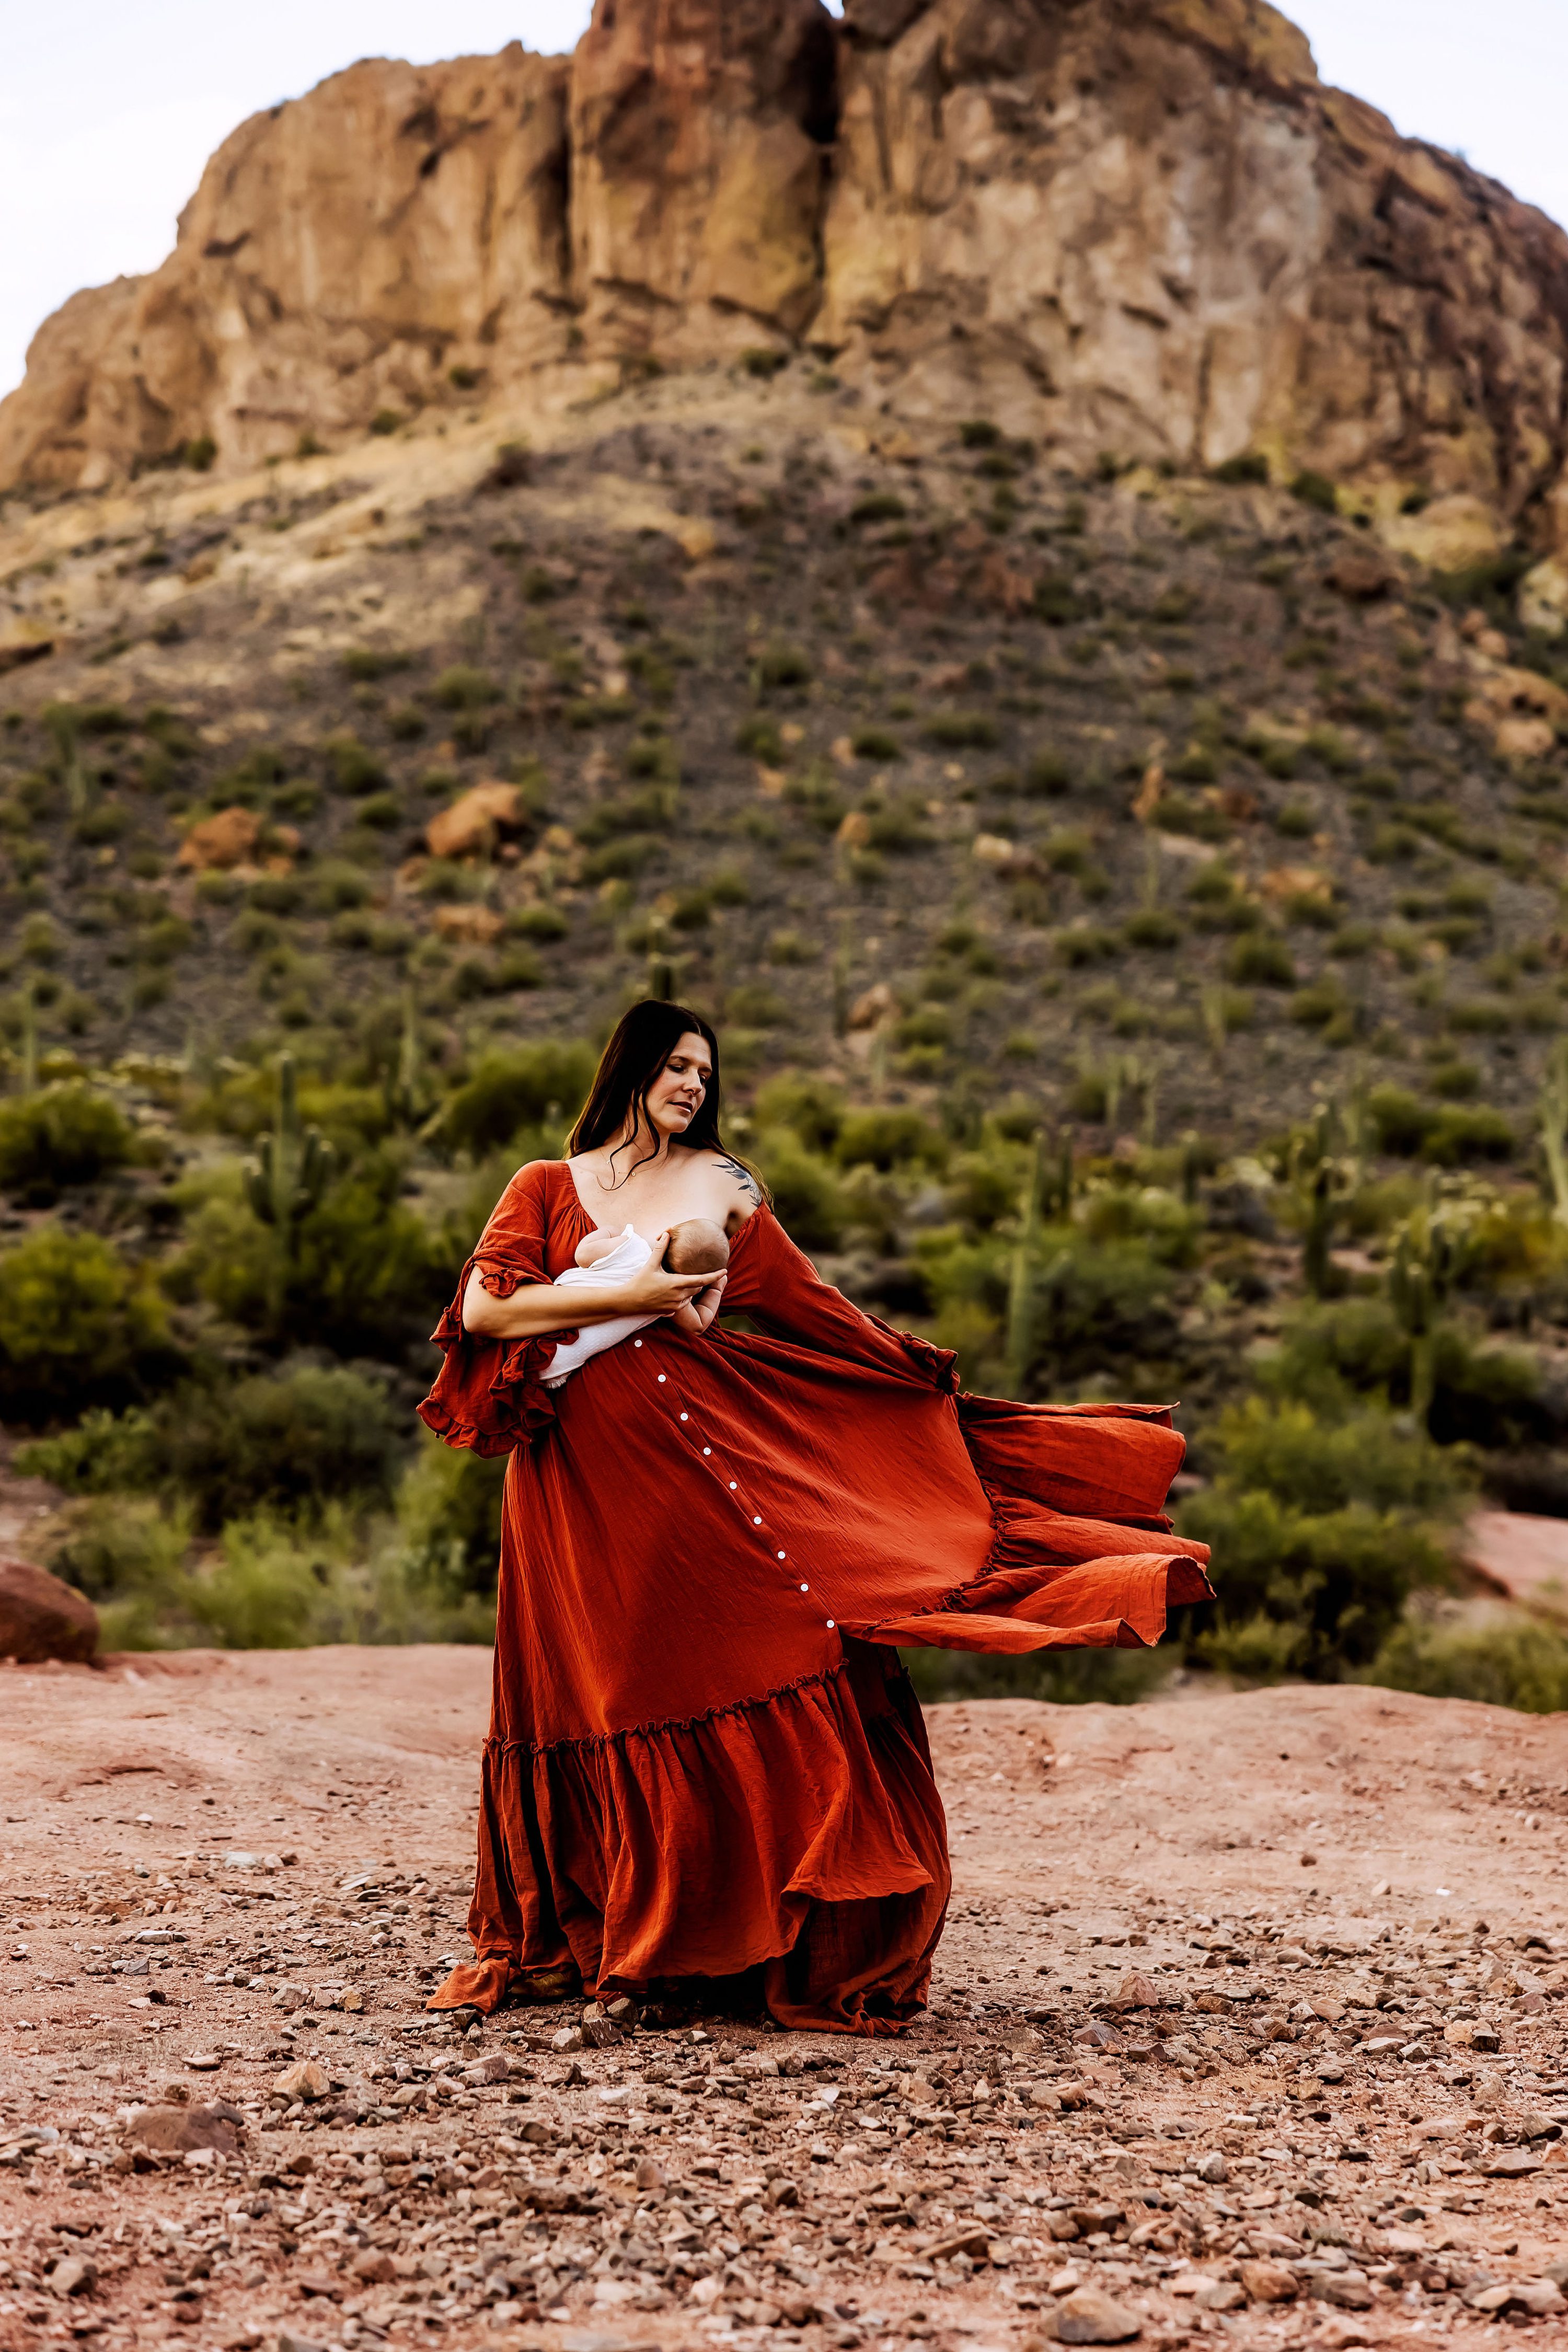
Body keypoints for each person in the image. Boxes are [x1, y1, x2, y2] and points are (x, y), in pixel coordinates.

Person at [419, 1000, 1212, 2036]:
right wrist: (639, 1290)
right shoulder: (544, 1185)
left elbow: (803, 1301)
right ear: (629, 1072)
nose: (694, 1085)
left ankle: (729, 1949)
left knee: (731, 1650)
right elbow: (483, 1313)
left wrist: (904, 1368)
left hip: (691, 1463)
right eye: (675, 1066)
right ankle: (606, 1934)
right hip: (572, 1475)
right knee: (601, 1681)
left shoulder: (721, 1188)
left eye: (706, 1071)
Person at [543, 1219, 731, 1387]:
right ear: (702, 1280)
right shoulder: (674, 1298)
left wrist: (609, 1231)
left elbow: (582, 1255)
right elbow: (698, 1325)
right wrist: (716, 1288)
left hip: (545, 1312)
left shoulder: (631, 1248)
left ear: (664, 1235)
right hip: (557, 1365)